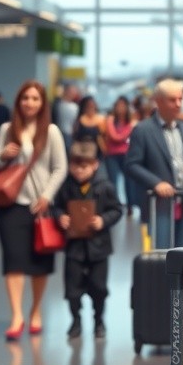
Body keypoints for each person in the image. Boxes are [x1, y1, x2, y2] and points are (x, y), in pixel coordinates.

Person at [0, 80, 68, 340]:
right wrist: (3, 155)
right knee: (13, 261)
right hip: (11, 205)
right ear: (18, 102)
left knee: (39, 263)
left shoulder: (52, 131)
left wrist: (47, 195)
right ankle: (16, 316)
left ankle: (35, 311)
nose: (30, 103)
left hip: (40, 206)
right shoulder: (7, 129)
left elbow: (60, 167)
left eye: (35, 98)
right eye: (25, 98)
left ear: (42, 103)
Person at [53, 140, 123, 341]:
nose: (79, 171)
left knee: (99, 288)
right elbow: (56, 206)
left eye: (84, 166)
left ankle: (98, 321)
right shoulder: (66, 186)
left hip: (98, 247)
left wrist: (103, 220)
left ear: (95, 165)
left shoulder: (105, 187)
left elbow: (117, 209)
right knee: (72, 289)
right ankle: (75, 321)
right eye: (75, 165)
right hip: (74, 247)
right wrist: (60, 216)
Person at [126, 78, 183, 246]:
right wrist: (156, 183)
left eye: (180, 99)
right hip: (159, 204)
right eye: (172, 100)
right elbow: (132, 164)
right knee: (162, 252)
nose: (178, 104)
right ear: (158, 101)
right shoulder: (143, 130)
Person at [104, 95, 135, 213]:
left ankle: (130, 206)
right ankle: (114, 205)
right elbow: (114, 136)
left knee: (129, 182)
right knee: (113, 181)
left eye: (123, 105)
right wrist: (126, 133)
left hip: (127, 154)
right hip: (112, 154)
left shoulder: (130, 120)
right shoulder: (111, 119)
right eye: (119, 105)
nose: (121, 108)